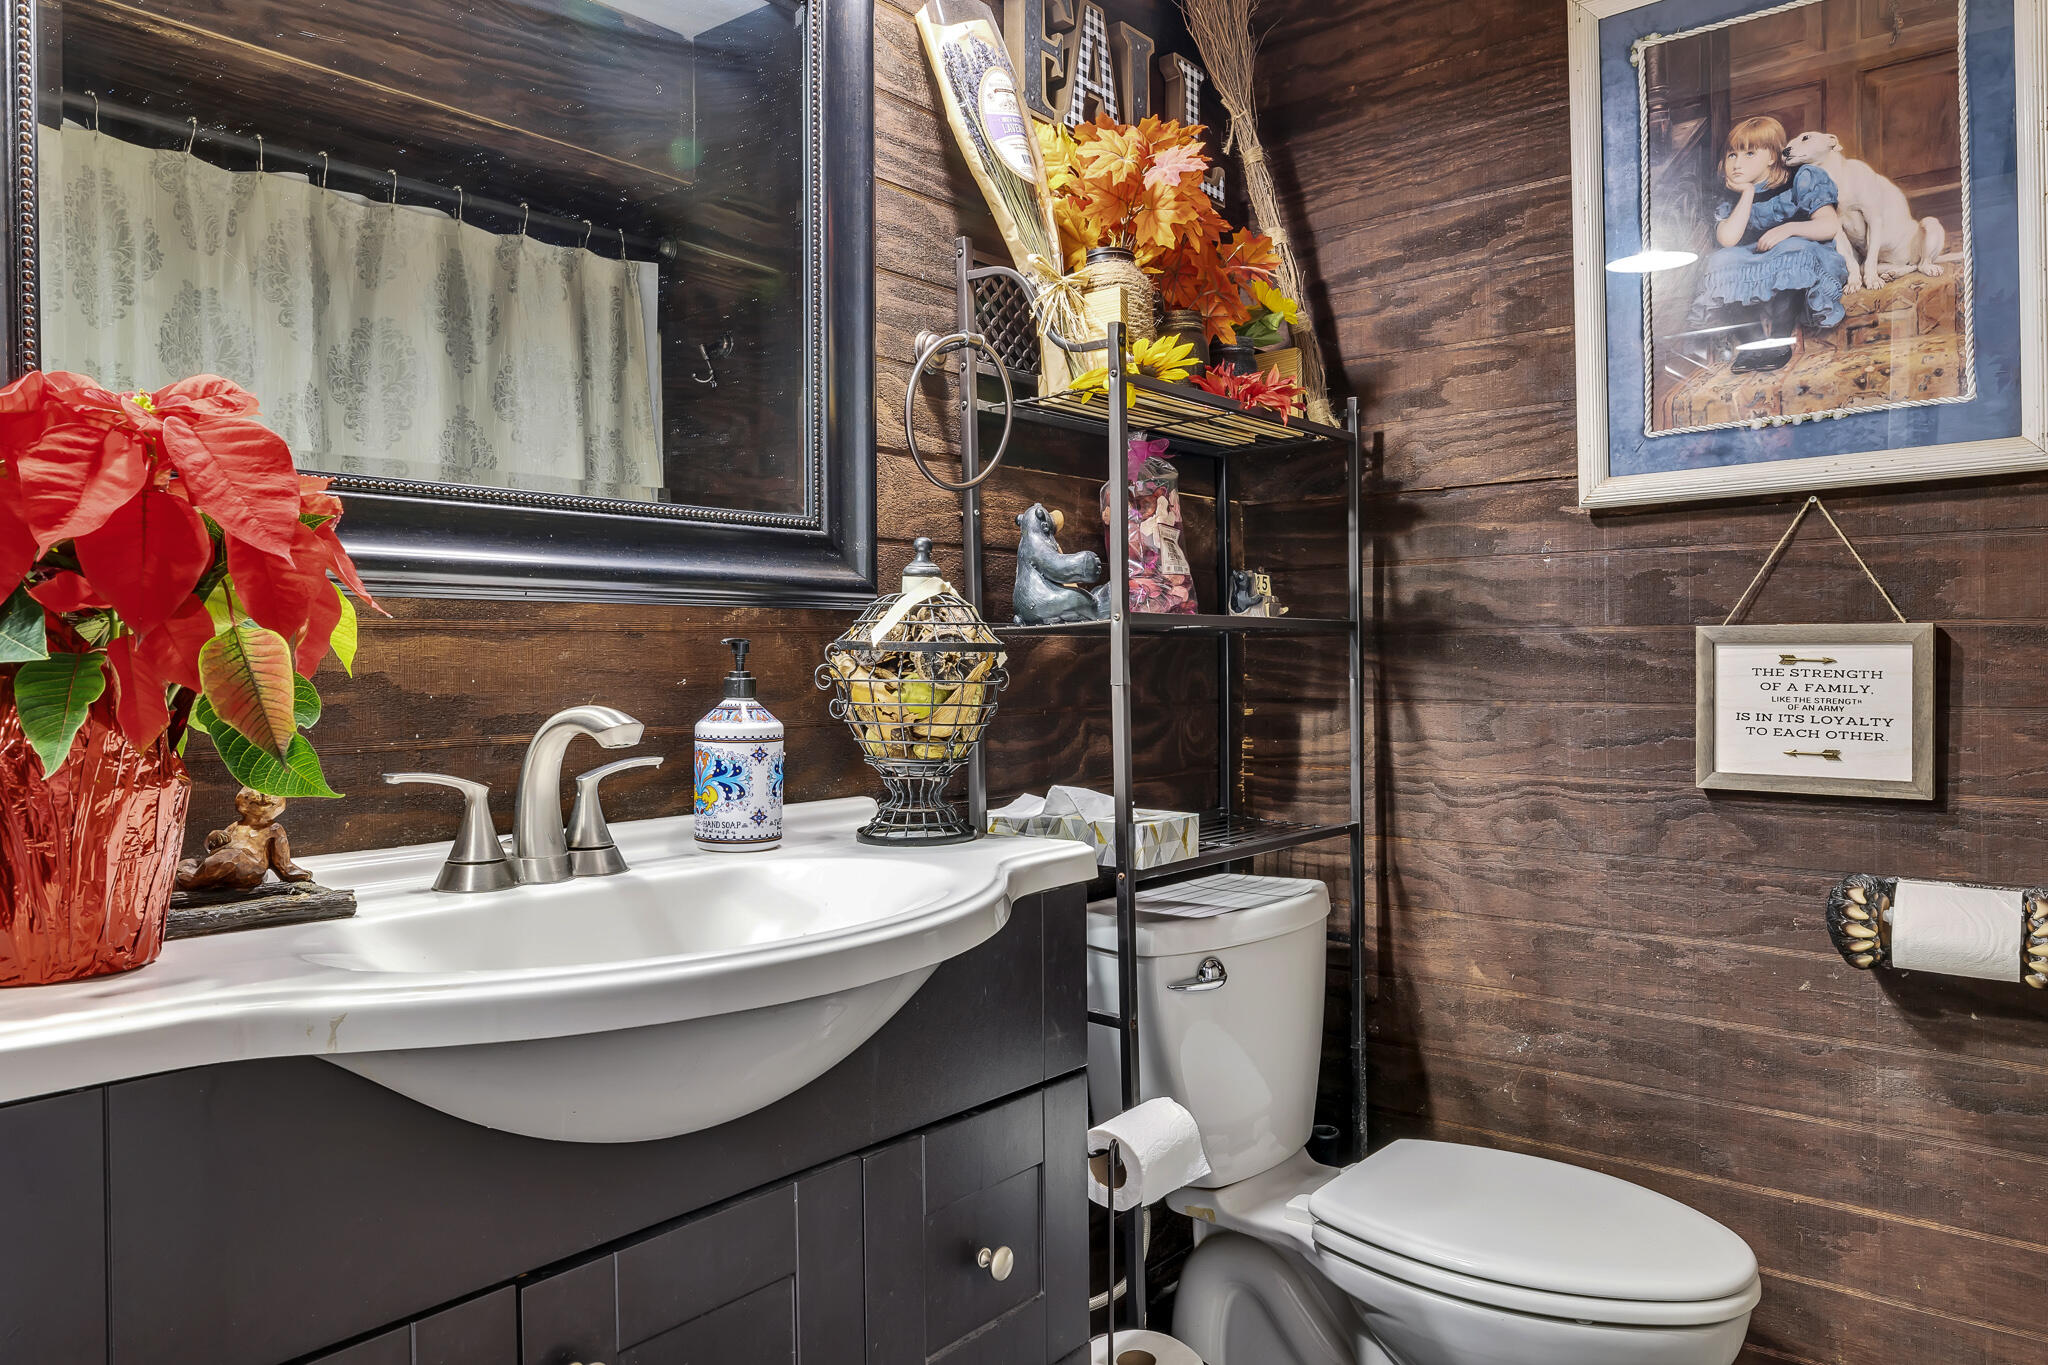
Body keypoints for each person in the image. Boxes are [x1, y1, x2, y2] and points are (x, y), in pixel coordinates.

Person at [1686, 116, 1849, 373]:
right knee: (1720, 261)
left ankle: (1779, 339)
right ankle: (1753, 344)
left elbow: (1828, 225)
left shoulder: (1801, 177)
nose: (1737, 164)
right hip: (1754, 256)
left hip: (1799, 250)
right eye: (1731, 155)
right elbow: (1728, 239)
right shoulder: (1731, 194)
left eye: (1749, 153)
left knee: (1792, 251)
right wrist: (1748, 193)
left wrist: (1788, 229)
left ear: (1772, 157)